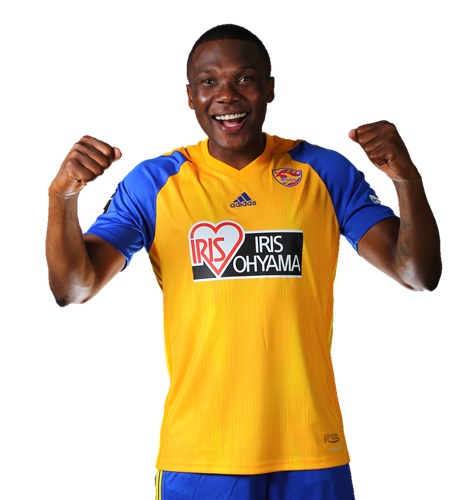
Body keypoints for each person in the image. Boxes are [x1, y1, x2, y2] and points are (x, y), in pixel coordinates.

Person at [46, 23, 441, 500]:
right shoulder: (155, 183)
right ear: (190, 96)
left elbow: (418, 274)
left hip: (311, 450)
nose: (226, 95)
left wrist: (406, 179)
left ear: (270, 88)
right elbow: (73, 288)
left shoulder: (323, 170)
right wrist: (62, 197)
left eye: (245, 78)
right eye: (208, 81)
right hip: (200, 458)